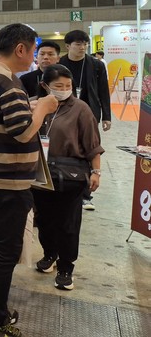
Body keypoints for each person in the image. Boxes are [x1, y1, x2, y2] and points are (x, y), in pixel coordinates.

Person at [0, 23, 58, 337]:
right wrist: (43, 108)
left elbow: (2, 119)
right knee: (5, 252)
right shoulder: (8, 82)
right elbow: (22, 132)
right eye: (33, 51)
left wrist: (28, 107)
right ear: (20, 49)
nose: (34, 57)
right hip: (7, 180)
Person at [32, 64, 104, 291]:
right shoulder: (36, 105)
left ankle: (66, 268)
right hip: (40, 174)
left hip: (71, 177)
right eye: (58, 86)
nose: (64, 90)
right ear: (45, 86)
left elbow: (93, 144)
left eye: (67, 86)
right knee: (44, 220)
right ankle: (50, 254)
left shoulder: (81, 109)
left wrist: (96, 172)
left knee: (68, 224)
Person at [57, 29, 111, 211]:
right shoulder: (60, 64)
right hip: (65, 114)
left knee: (90, 150)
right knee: (69, 150)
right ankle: (67, 186)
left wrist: (107, 116)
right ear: (68, 46)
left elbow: (103, 90)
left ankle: (86, 195)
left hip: (90, 114)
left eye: (85, 44)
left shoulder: (96, 65)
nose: (82, 47)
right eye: (78, 44)